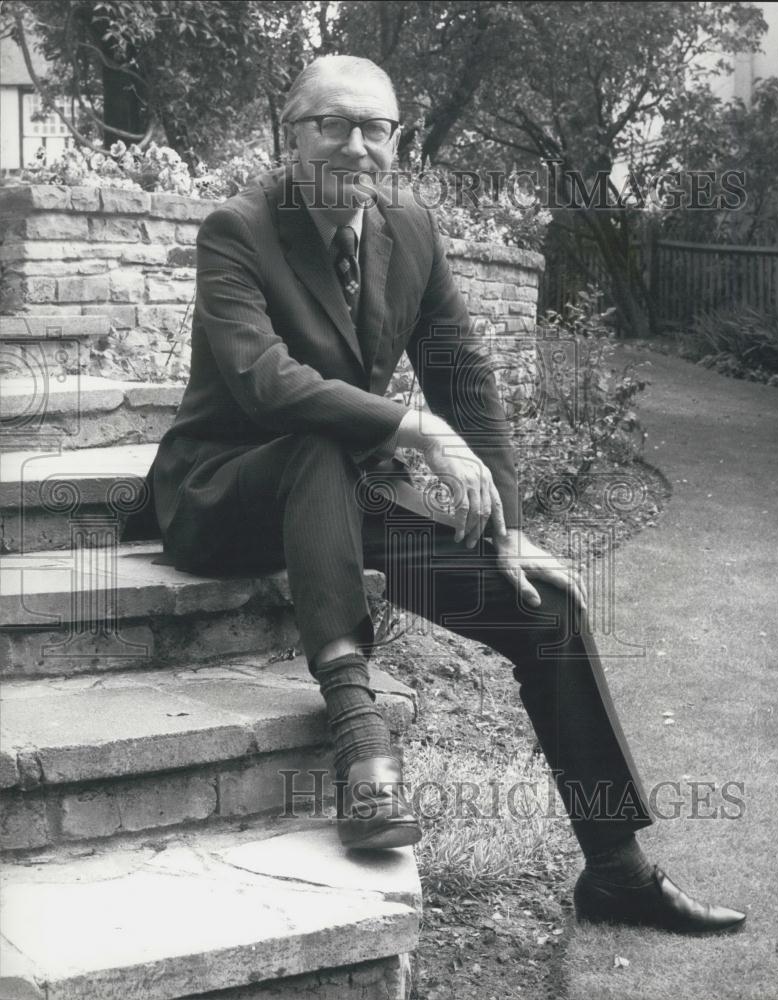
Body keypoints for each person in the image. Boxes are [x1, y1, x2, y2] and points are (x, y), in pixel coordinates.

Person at [122, 54, 745, 935]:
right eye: (332, 123)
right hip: (228, 493)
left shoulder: (408, 230)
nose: (357, 145)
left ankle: (615, 870)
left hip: (343, 502)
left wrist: (510, 530)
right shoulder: (239, 229)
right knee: (316, 443)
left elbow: (463, 378)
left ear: (396, 142)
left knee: (549, 609)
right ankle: (356, 727)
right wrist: (412, 430)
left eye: (377, 127)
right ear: (289, 136)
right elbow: (265, 384)